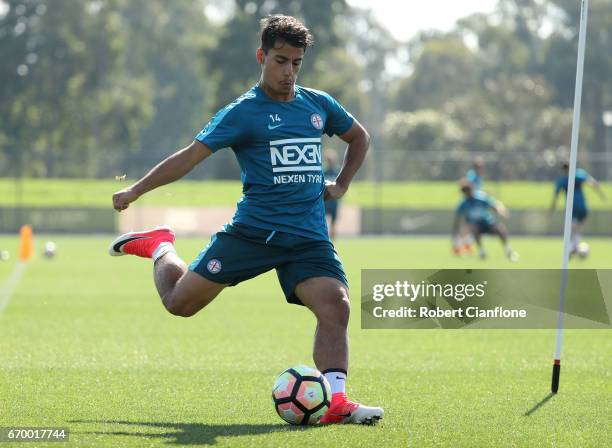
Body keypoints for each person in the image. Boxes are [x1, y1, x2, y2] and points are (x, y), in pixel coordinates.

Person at [108, 15, 382, 425]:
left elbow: (358, 136)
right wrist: (135, 191)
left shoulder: (318, 105)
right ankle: (160, 245)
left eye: (297, 62)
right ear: (262, 56)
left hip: (308, 237)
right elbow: (188, 157)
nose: (289, 72)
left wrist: (341, 184)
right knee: (179, 304)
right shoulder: (242, 113)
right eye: (281, 61)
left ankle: (337, 401)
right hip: (253, 233)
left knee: (336, 306)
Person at [452, 179, 518, 261]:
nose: (468, 194)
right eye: (465, 192)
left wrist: (501, 211)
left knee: (500, 229)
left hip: (487, 222)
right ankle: (482, 251)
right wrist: (456, 235)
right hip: (475, 225)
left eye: (468, 191)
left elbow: (494, 204)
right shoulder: (463, 204)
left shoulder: (481, 197)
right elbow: (458, 218)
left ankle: (508, 250)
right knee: (473, 228)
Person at [550, 161, 606, 255]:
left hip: (573, 208)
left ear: (563, 170)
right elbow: (592, 182)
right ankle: (574, 247)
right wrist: (601, 194)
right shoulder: (577, 174)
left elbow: (556, 197)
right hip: (582, 208)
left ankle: (572, 248)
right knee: (575, 229)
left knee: (571, 230)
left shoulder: (565, 179)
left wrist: (551, 210)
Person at [323, 149, 341, 240]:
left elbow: (341, 186)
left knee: (333, 224)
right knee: (323, 223)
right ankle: (325, 240)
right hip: (325, 202)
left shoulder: (337, 172)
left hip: (334, 202)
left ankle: (333, 243)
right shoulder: (323, 172)